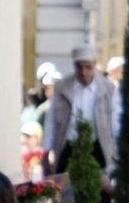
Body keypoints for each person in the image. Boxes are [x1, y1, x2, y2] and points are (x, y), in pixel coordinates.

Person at [43, 44, 119, 176]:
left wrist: (117, 151)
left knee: (100, 190)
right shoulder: (62, 87)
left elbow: (115, 122)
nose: (84, 72)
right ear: (74, 66)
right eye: (79, 67)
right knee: (65, 188)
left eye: (88, 67)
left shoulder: (108, 89)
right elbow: (52, 120)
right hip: (69, 145)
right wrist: (46, 150)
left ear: (94, 65)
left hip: (97, 146)